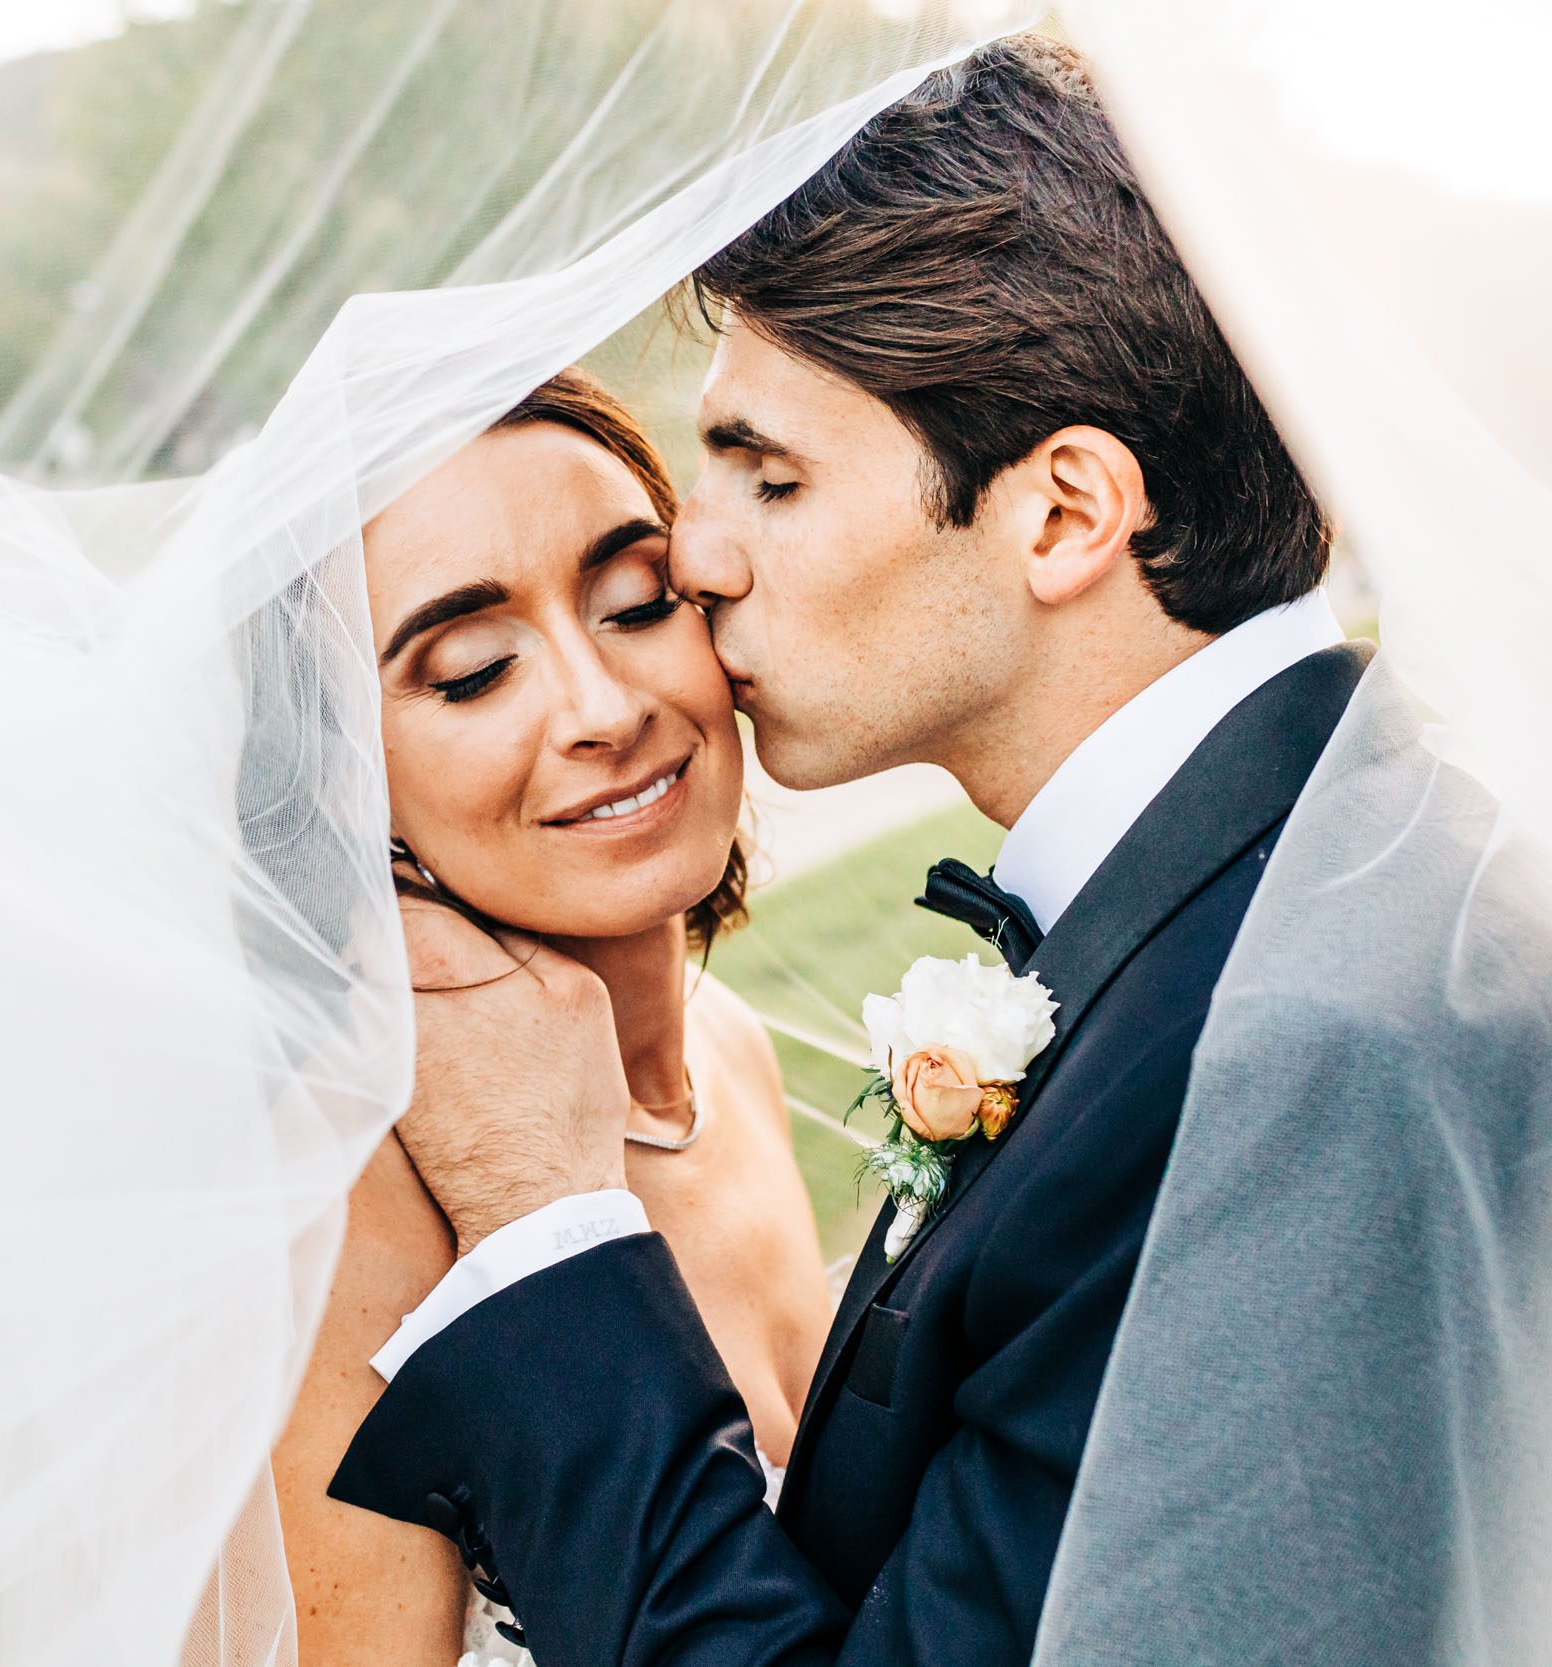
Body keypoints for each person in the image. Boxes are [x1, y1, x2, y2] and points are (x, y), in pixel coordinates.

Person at [328, 36, 1385, 1663]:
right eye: (468, 669)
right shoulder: (1317, 862)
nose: (702, 556)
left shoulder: (1246, 1039)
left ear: (1061, 515)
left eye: (769, 474)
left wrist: (541, 1224)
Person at [270, 369, 835, 1667]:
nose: (604, 707)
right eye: (471, 673)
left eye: (638, 602)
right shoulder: (346, 1192)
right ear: (345, 779)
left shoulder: (728, 1054)